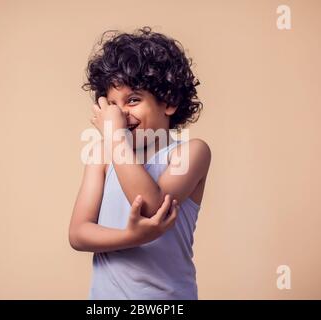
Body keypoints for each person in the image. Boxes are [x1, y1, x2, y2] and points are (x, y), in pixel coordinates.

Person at [69, 27, 211, 299]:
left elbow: (150, 207)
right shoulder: (101, 156)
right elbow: (78, 233)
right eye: (112, 104)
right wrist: (133, 237)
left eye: (133, 100)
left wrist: (114, 137)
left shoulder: (190, 153)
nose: (120, 114)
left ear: (169, 101)